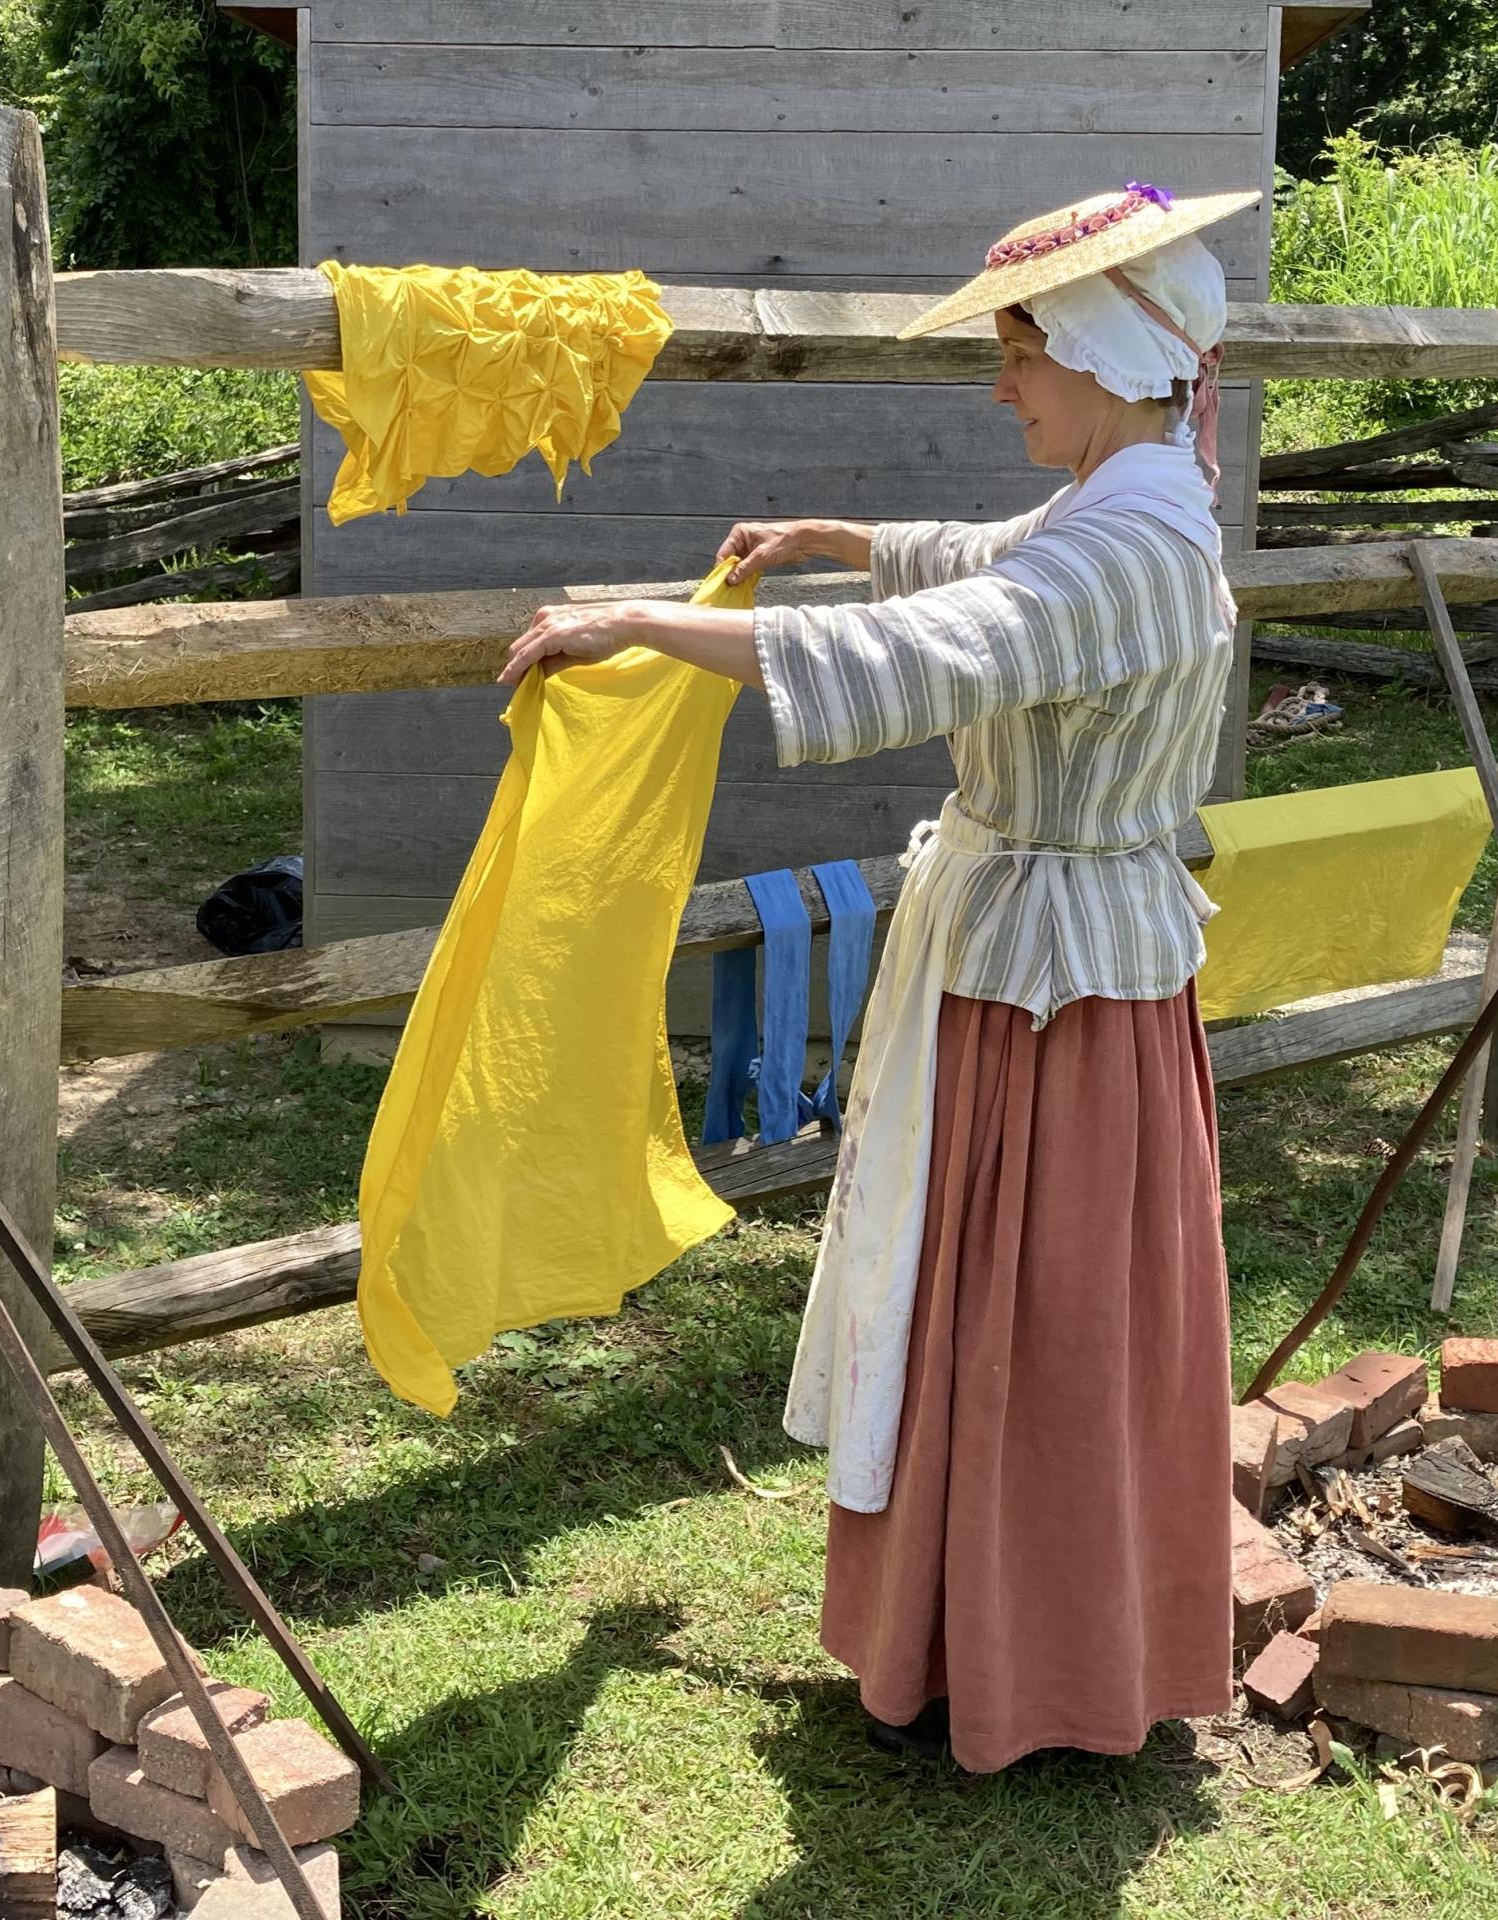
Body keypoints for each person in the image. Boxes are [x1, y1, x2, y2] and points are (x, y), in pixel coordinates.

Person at [501, 182, 1255, 1772]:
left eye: (1016, 355)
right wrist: (831, 540)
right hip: (1035, 960)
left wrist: (635, 623)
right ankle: (971, 1635)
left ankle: (1029, 1661)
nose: (1001, 387)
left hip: (1057, 989)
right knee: (995, 1304)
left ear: (1107, 352)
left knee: (1034, 1319)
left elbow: (954, 645)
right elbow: (985, 561)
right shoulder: (1134, 501)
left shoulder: (1133, 545)